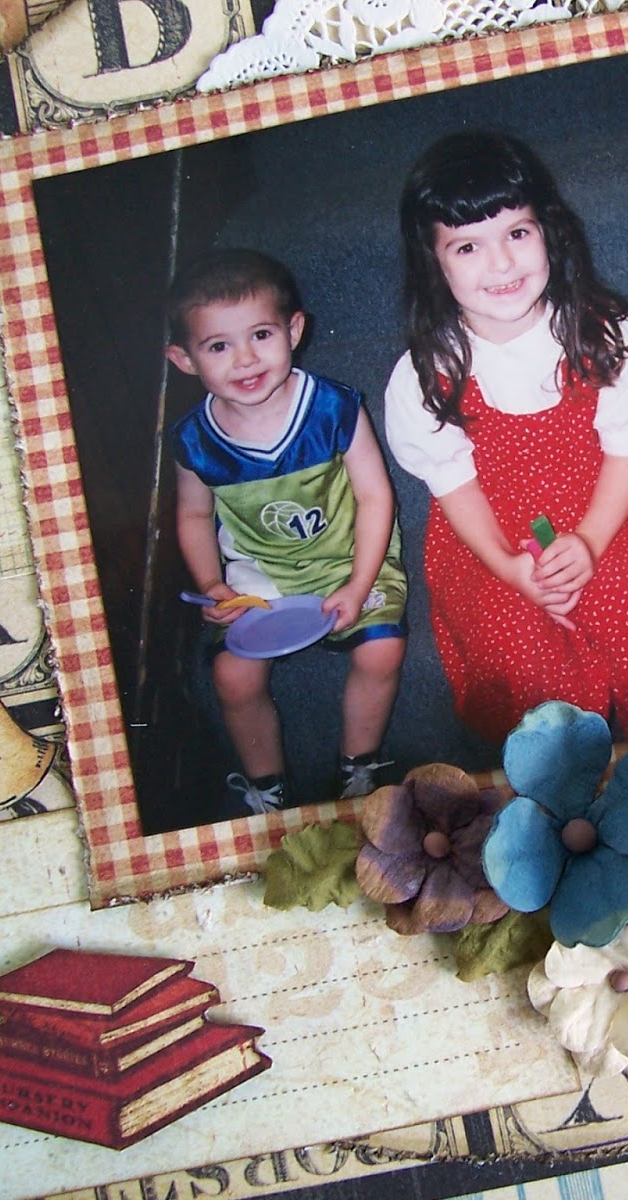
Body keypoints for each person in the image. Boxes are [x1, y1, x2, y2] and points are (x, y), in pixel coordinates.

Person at [384, 131, 628, 742]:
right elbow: (454, 486)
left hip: (607, 497)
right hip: (494, 522)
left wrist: (588, 540)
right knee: (512, 635)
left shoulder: (605, 335)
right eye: (467, 247)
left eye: (517, 233)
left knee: (621, 602)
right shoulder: (426, 373)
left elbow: (626, 451)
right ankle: (555, 756)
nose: (501, 264)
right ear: (433, 261)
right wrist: (510, 569)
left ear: (548, 232)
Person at [167, 249, 407, 814]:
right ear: (184, 359)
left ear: (293, 331)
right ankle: (267, 783)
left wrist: (358, 584)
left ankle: (359, 765)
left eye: (261, 335)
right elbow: (194, 515)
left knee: (382, 653)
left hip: (351, 558)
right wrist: (211, 583)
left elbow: (375, 496)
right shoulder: (194, 441)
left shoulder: (333, 408)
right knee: (232, 677)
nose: (245, 359)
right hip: (262, 572)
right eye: (218, 346)